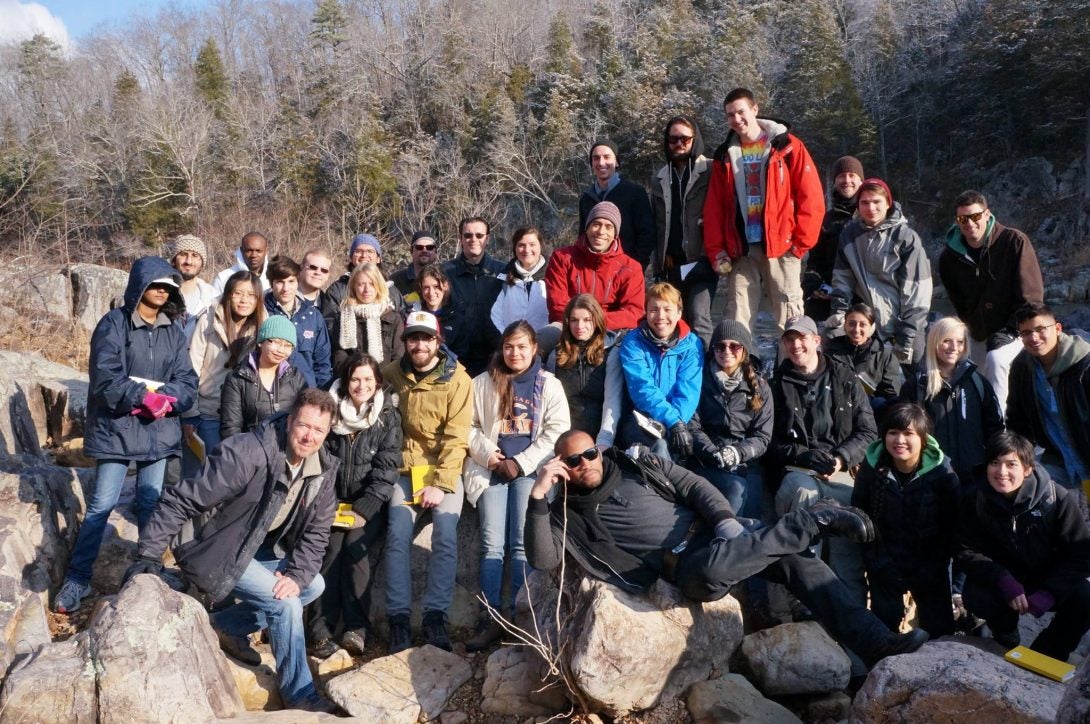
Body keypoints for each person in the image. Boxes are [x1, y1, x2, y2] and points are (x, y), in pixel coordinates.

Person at [525, 430, 929, 666]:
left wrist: (725, 523)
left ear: (599, 447)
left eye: (590, 453)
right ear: (562, 467)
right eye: (574, 461)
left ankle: (876, 643)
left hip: (719, 533)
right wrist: (539, 495)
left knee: (800, 564)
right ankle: (812, 520)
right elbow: (543, 559)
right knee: (709, 575)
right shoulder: (566, 512)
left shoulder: (637, 464)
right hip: (687, 563)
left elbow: (694, 486)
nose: (586, 463)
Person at [127, 388, 342, 713]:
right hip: (211, 547)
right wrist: (148, 554)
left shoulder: (322, 473)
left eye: (318, 430)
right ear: (289, 422)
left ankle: (224, 626)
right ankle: (300, 695)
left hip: (254, 548)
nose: (309, 436)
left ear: (327, 433)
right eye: (304, 425)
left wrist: (296, 576)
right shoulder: (248, 453)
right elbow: (182, 498)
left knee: (313, 585)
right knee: (285, 607)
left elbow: (316, 535)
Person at [53, 257, 198, 614]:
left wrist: (170, 401)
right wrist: (142, 398)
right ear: (139, 286)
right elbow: (105, 378)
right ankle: (77, 578)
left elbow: (187, 381)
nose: (162, 291)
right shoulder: (113, 325)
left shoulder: (173, 331)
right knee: (101, 505)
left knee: (151, 504)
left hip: (157, 431)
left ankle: (149, 572)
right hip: (117, 430)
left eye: (168, 286)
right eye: (156, 284)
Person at [463, 322, 570, 651]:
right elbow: (467, 425)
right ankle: (491, 616)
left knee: (521, 544)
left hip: (530, 471)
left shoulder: (548, 385)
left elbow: (558, 431)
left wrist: (520, 462)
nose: (515, 353)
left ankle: (521, 616)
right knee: (492, 544)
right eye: (509, 346)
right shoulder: (482, 383)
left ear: (535, 349)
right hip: (491, 469)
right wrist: (492, 457)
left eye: (522, 347)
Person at [771, 315, 876, 606]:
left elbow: (868, 430)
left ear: (817, 341)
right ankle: (802, 597)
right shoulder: (777, 384)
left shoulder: (845, 377)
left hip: (841, 471)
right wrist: (802, 455)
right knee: (805, 492)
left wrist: (841, 459)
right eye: (789, 339)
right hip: (798, 471)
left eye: (802, 338)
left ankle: (852, 608)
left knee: (852, 508)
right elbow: (770, 443)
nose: (796, 345)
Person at [382, 311, 472, 653]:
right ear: (405, 342)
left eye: (427, 338)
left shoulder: (457, 379)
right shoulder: (392, 373)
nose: (420, 345)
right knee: (397, 534)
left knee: (445, 537)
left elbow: (457, 437)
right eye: (413, 338)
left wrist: (441, 482)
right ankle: (398, 619)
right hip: (404, 472)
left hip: (443, 472)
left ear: (438, 342)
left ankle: (436, 616)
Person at [956, 431, 1090, 660]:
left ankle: (1048, 652)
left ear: (1028, 469)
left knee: (1086, 598)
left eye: (1011, 464)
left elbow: (1082, 555)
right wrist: (1002, 579)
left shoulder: (1056, 499)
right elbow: (964, 549)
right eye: (995, 463)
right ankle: (1006, 633)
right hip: (1006, 578)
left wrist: (1050, 592)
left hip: (1047, 577)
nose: (1002, 472)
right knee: (976, 595)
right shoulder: (975, 499)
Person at [703, 88, 823, 335]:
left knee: (790, 321)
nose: (736, 119)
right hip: (741, 251)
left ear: (755, 109)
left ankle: (792, 372)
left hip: (782, 247)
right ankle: (744, 372)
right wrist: (717, 251)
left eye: (741, 112)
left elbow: (810, 196)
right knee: (737, 320)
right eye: (730, 115)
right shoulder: (724, 155)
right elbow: (714, 208)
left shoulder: (787, 146)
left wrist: (800, 244)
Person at [306, 354, 402, 659]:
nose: (362, 386)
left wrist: (365, 509)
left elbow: (387, 470)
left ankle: (356, 627)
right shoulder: (329, 412)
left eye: (368, 380)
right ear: (346, 382)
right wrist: (327, 504)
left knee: (356, 552)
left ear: (378, 384)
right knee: (330, 552)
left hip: (366, 504)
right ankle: (320, 629)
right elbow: (319, 463)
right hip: (331, 502)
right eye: (356, 379)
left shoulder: (387, 416)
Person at [852, 402, 961, 637]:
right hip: (884, 560)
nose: (899, 440)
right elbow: (860, 515)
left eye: (908, 434)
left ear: (923, 438)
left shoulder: (942, 473)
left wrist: (933, 567)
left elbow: (953, 527)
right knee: (884, 626)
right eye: (893, 433)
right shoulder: (872, 467)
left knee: (939, 631)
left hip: (929, 564)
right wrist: (876, 561)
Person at [939, 190, 1044, 413]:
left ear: (987, 214)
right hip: (978, 331)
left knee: (996, 361)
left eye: (976, 216)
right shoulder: (949, 257)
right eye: (963, 219)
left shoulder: (1014, 241)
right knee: (956, 362)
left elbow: (1032, 297)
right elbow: (958, 302)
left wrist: (1012, 329)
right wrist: (971, 326)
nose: (970, 223)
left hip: (1017, 329)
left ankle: (998, 427)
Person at [828, 178, 931, 366]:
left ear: (888, 203)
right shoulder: (849, 235)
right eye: (865, 203)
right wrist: (839, 311)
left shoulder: (906, 237)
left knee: (913, 371)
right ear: (858, 205)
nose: (871, 208)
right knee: (829, 342)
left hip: (904, 321)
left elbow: (917, 293)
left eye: (876, 202)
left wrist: (907, 334)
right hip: (866, 321)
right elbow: (842, 279)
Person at [181, 270, 265, 476]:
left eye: (251, 295)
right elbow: (191, 367)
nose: (244, 300)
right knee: (202, 473)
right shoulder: (208, 320)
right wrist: (189, 415)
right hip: (209, 408)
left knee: (232, 474)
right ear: (228, 294)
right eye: (238, 293)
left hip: (244, 414)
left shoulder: (265, 326)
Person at [901, 317, 1003, 483]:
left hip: (974, 477)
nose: (954, 347)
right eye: (947, 341)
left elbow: (995, 429)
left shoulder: (978, 383)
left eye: (960, 341)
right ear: (935, 342)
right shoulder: (916, 385)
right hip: (930, 476)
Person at [688, 319, 772, 519]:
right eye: (720, 346)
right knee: (736, 488)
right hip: (705, 460)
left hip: (746, 462)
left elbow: (762, 436)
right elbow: (692, 426)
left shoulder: (760, 388)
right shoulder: (698, 380)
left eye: (734, 346)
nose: (727, 351)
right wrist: (713, 454)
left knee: (751, 513)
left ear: (744, 350)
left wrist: (738, 453)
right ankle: (723, 544)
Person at [1006, 303, 1090, 489]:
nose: (1034, 337)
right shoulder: (1022, 368)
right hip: (1057, 462)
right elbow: (1016, 420)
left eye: (1040, 329)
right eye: (1026, 333)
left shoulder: (1085, 366)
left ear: (1058, 328)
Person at [618, 283, 703, 460]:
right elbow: (642, 389)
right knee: (660, 446)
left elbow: (689, 389)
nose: (660, 316)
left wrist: (676, 424)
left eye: (667, 309)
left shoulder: (692, 344)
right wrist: (671, 422)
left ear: (679, 313)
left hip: (682, 417)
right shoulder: (633, 343)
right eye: (654, 309)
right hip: (641, 417)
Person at [651, 116, 715, 346]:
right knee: (672, 322)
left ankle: (706, 377)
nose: (679, 144)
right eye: (673, 139)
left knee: (699, 319)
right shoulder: (659, 178)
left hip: (702, 261)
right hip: (671, 266)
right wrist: (657, 265)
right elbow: (657, 225)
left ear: (694, 140)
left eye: (685, 139)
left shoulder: (711, 170)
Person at [544, 201, 645, 332]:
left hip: (612, 332)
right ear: (587, 228)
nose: (601, 231)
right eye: (596, 224)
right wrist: (580, 323)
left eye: (609, 227)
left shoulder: (630, 268)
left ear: (615, 234)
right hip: (568, 328)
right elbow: (557, 306)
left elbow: (633, 313)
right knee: (540, 340)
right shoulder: (562, 258)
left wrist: (591, 321)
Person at [544, 295, 624, 449]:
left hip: (602, 436)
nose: (580, 326)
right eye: (574, 320)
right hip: (565, 436)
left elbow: (612, 401)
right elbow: (549, 404)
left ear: (597, 320)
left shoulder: (611, 353)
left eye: (587, 320)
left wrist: (604, 442)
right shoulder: (557, 354)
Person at [220, 317, 308, 440]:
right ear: (260, 342)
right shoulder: (237, 378)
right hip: (251, 449)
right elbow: (231, 428)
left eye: (288, 346)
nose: (281, 350)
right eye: (276, 342)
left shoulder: (296, 377)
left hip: (287, 447)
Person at [442, 217, 505, 377]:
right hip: (455, 358)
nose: (473, 240)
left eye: (479, 235)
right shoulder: (444, 273)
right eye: (468, 235)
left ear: (487, 238)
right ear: (460, 238)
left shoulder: (503, 272)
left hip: (495, 357)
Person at [578, 139, 655, 268]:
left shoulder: (635, 193)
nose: (601, 162)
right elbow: (582, 237)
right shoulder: (586, 199)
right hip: (593, 272)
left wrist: (634, 267)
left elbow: (647, 235)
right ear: (591, 163)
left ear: (617, 162)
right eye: (596, 158)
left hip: (626, 271)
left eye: (607, 157)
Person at [804, 157, 864, 322]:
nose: (847, 181)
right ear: (835, 182)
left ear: (861, 180)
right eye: (841, 176)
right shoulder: (826, 220)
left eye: (852, 175)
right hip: (832, 290)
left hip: (865, 292)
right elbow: (815, 261)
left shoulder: (870, 216)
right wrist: (814, 286)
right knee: (809, 313)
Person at [263, 255, 332, 389]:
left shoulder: (313, 316)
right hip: (272, 396)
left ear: (298, 280)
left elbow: (323, 364)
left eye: (291, 281)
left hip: (307, 394)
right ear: (271, 283)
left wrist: (319, 395)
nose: (286, 288)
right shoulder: (262, 314)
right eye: (279, 282)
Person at [823, 303, 901, 414]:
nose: (856, 329)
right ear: (845, 325)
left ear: (871, 327)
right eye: (852, 324)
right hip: (835, 406)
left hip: (870, 411)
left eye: (863, 325)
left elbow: (891, 393)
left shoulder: (884, 355)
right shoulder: (832, 349)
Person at [332, 262, 404, 373]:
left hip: (386, 382)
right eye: (361, 284)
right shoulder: (342, 317)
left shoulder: (393, 318)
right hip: (353, 381)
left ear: (379, 285)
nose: (367, 290)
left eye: (372, 284)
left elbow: (398, 356)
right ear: (353, 286)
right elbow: (340, 355)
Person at [490, 227, 549, 334]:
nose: (527, 250)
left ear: (541, 246)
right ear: (515, 248)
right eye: (521, 245)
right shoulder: (503, 278)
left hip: (546, 346)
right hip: (511, 347)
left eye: (532, 244)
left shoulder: (553, 276)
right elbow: (494, 316)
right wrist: (507, 340)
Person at [167, 233, 218, 339]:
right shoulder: (161, 293)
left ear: (202, 262)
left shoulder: (214, 297)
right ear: (174, 260)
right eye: (183, 254)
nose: (188, 261)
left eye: (195, 256)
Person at [391, 231, 439, 297]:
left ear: (436, 252)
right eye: (419, 247)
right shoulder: (395, 280)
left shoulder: (445, 277)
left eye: (429, 247)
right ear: (411, 251)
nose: (424, 250)